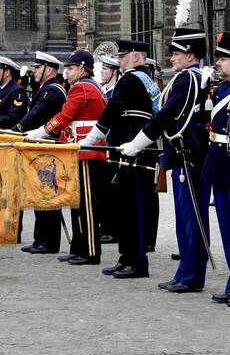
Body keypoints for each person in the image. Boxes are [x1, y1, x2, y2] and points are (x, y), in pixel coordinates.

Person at [119, 28, 210, 293]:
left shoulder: (187, 80)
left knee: (190, 220)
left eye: (176, 53)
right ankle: (186, 272)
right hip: (184, 154)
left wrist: (137, 144)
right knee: (186, 220)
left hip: (189, 155)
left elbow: (166, 116)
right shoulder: (189, 77)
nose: (171, 58)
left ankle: (190, 275)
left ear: (191, 55)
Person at [82, 40, 159, 279]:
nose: (119, 60)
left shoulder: (132, 78)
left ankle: (135, 262)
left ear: (136, 57)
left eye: (123, 56)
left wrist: (90, 140)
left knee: (131, 208)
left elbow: (111, 112)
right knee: (127, 207)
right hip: (133, 151)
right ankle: (126, 257)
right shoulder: (143, 80)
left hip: (132, 153)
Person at [27, 50, 107, 265]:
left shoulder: (82, 87)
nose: (67, 72)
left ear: (82, 69)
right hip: (80, 150)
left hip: (88, 151)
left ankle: (90, 251)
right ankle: (78, 247)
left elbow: (64, 117)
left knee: (87, 205)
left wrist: (39, 132)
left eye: (70, 68)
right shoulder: (86, 87)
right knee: (77, 203)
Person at [202, 32, 230, 307]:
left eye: (223, 58)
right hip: (220, 165)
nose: (218, 62)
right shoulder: (222, 89)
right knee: (228, 232)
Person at [14, 51, 68, 255]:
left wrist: (15, 131)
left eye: (38, 67)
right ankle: (40, 239)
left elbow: (34, 116)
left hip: (49, 149)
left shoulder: (52, 91)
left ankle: (49, 241)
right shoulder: (45, 89)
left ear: (50, 70)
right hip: (39, 147)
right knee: (40, 194)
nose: (34, 70)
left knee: (47, 194)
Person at [97, 55, 122, 244]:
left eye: (106, 69)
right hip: (102, 146)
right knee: (103, 190)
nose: (102, 72)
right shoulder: (103, 92)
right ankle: (105, 227)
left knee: (113, 190)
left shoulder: (116, 93)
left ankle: (113, 229)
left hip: (113, 145)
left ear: (114, 71)